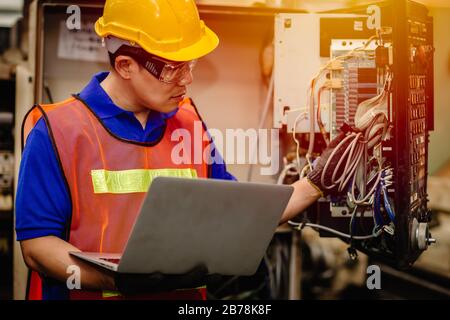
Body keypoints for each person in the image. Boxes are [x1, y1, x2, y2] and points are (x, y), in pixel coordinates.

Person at [16, 0, 342, 300]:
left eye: (191, 64)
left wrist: (315, 182)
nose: (187, 80)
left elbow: (239, 216)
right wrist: (116, 282)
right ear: (126, 65)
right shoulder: (56, 130)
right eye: (173, 68)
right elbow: (37, 247)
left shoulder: (188, 122)